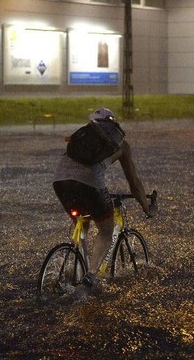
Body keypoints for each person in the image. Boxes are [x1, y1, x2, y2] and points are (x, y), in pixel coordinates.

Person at [52, 107, 157, 288]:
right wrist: (146, 207)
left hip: (60, 182)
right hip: (90, 184)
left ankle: (77, 259)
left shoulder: (81, 135)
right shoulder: (120, 144)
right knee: (106, 230)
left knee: (82, 217)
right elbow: (134, 184)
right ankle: (91, 274)